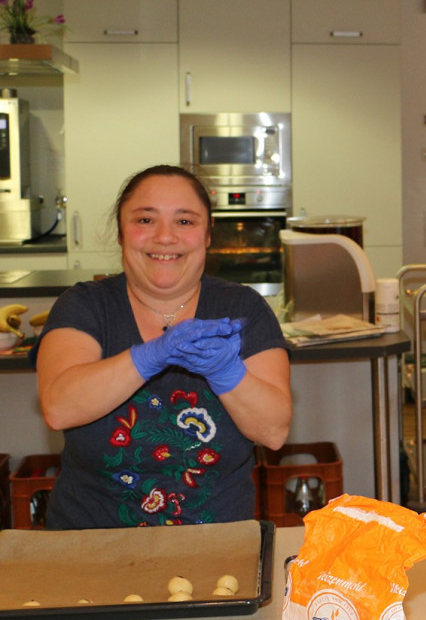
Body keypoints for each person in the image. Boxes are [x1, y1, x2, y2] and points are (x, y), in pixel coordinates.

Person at [34, 165, 292, 529]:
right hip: (89, 551)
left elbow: (274, 431)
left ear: (207, 236)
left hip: (218, 549)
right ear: (122, 234)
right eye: (145, 220)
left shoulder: (243, 309)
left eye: (185, 222)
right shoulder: (85, 306)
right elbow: (59, 408)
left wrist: (227, 373)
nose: (165, 237)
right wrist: (148, 356)